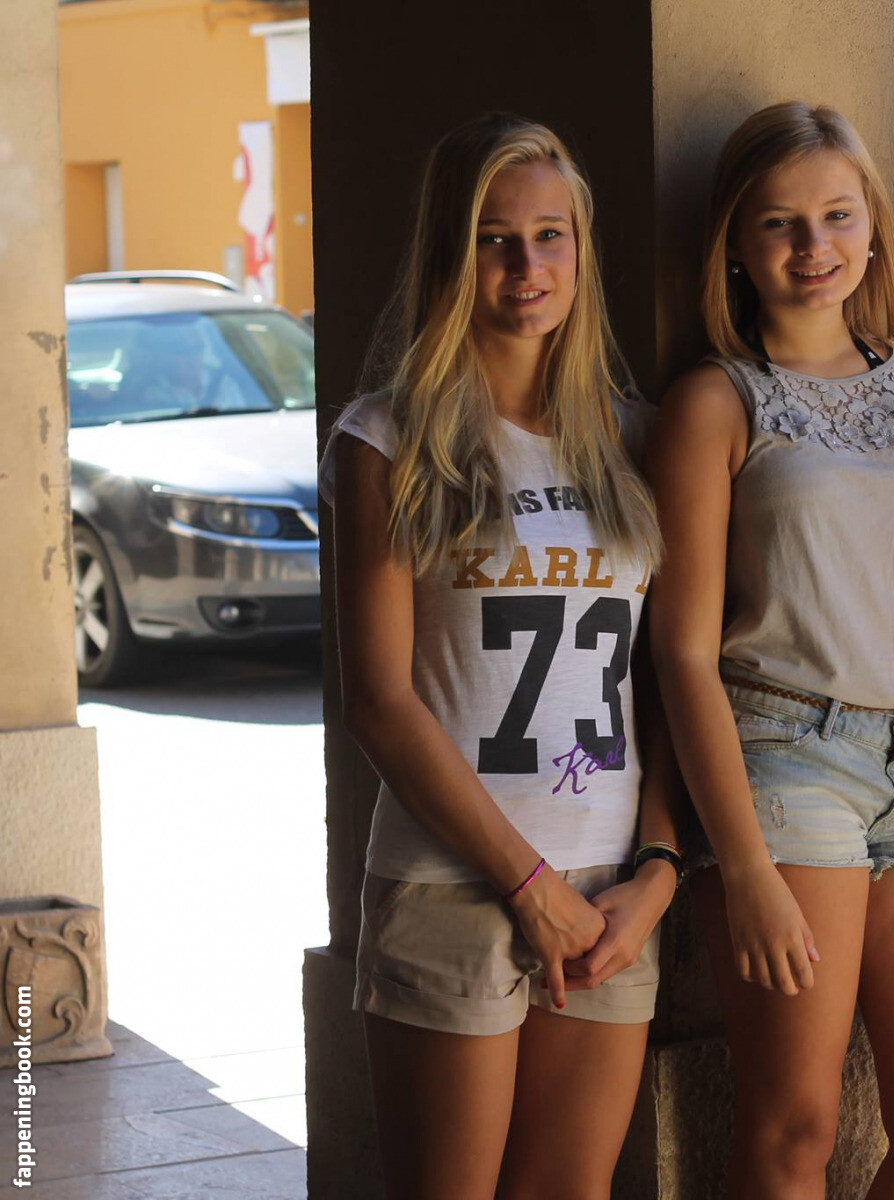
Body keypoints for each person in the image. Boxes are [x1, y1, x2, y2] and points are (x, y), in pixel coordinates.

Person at [649, 101, 894, 1199]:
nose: (813, 246)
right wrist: (745, 868)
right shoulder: (713, 402)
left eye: (837, 216)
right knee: (794, 1128)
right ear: (735, 242)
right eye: (780, 223)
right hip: (784, 765)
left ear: (872, 227)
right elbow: (682, 655)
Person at [323, 113, 679, 1200]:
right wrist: (525, 883)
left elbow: (669, 686)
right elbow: (380, 701)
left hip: (609, 888)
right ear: (451, 254)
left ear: (581, 248)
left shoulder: (636, 438)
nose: (527, 265)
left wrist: (658, 874)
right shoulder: (389, 439)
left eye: (549, 236)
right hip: (453, 881)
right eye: (494, 238)